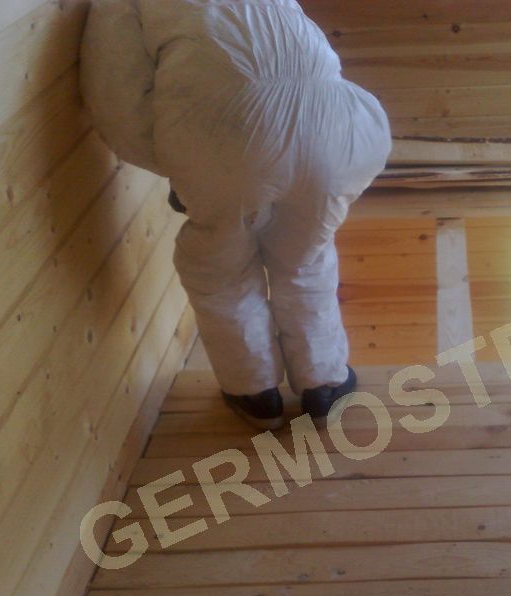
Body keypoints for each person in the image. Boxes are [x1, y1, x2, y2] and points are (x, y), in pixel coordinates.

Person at [80, 0, 392, 429]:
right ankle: (324, 383)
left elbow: (117, 103)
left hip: (229, 130)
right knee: (305, 254)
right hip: (342, 126)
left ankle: (254, 391)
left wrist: (180, 170)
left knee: (219, 267)